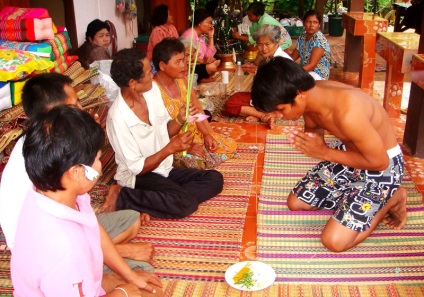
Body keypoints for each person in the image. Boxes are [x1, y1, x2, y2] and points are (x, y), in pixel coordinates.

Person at [0, 73, 156, 275]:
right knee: (144, 274)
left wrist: (84, 136)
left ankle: (102, 257)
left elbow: (85, 215)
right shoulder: (43, 159)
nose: (82, 110)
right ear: (54, 114)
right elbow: (53, 237)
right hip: (45, 249)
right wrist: (123, 252)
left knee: (132, 221)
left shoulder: (55, 142)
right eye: (74, 106)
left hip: (68, 226)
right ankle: (101, 263)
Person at [251, 57, 407, 252]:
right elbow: (315, 129)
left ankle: (392, 198)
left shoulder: (348, 112)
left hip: (383, 166)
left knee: (334, 242)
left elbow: (379, 162)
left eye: (280, 110)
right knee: (296, 202)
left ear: (299, 94)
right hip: (351, 154)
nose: (279, 116)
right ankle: (354, 195)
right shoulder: (310, 95)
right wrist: (310, 141)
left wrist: (324, 152)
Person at [12, 105, 162, 296]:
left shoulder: (54, 192)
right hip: (69, 280)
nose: (101, 166)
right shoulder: (64, 249)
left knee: (146, 283)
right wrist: (123, 292)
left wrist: (130, 276)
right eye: (98, 159)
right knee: (150, 291)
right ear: (76, 172)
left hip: (83, 281)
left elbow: (94, 230)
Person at [106, 48, 224, 219]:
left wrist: (180, 119)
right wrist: (170, 149)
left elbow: (167, 130)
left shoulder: (151, 90)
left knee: (214, 179)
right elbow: (138, 169)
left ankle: (158, 199)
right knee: (185, 204)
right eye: (148, 73)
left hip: (164, 168)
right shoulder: (117, 118)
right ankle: (123, 195)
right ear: (133, 83)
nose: (152, 75)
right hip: (140, 176)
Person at [152, 38, 237, 169]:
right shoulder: (153, 90)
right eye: (178, 62)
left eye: (183, 60)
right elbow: (157, 133)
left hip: (193, 135)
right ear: (162, 66)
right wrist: (187, 146)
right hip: (172, 144)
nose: (183, 65)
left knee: (229, 144)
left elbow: (196, 110)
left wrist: (206, 134)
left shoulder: (183, 80)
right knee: (195, 163)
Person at [222, 24, 292, 128]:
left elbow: (285, 91)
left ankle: (264, 115)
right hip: (265, 97)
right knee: (234, 99)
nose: (263, 48)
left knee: (231, 104)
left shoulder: (281, 60)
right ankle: (263, 114)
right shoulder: (268, 57)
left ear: (276, 43)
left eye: (267, 44)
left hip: (276, 101)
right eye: (260, 44)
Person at [288, 10, 330, 80]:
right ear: (304, 23)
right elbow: (293, 57)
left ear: (319, 25)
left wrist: (294, 73)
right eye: (308, 22)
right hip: (305, 71)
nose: (311, 25)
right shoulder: (302, 37)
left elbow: (312, 65)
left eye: (315, 22)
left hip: (318, 74)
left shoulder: (319, 40)